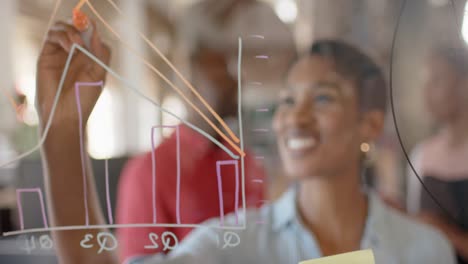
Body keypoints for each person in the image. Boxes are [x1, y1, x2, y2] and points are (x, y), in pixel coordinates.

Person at [36, 19, 456, 263]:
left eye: (323, 97)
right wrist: (63, 131)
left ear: (369, 124)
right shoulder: (233, 244)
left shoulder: (422, 249)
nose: (296, 117)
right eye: (288, 100)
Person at [116, 42, 265, 261]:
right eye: (219, 77)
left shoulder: (247, 162)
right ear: (189, 91)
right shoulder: (148, 171)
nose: (234, 84)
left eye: (232, 75)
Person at [407, 44, 468, 263]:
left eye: (436, 81)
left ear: (463, 84)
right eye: (424, 83)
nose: (425, 93)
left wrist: (444, 231)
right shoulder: (422, 155)